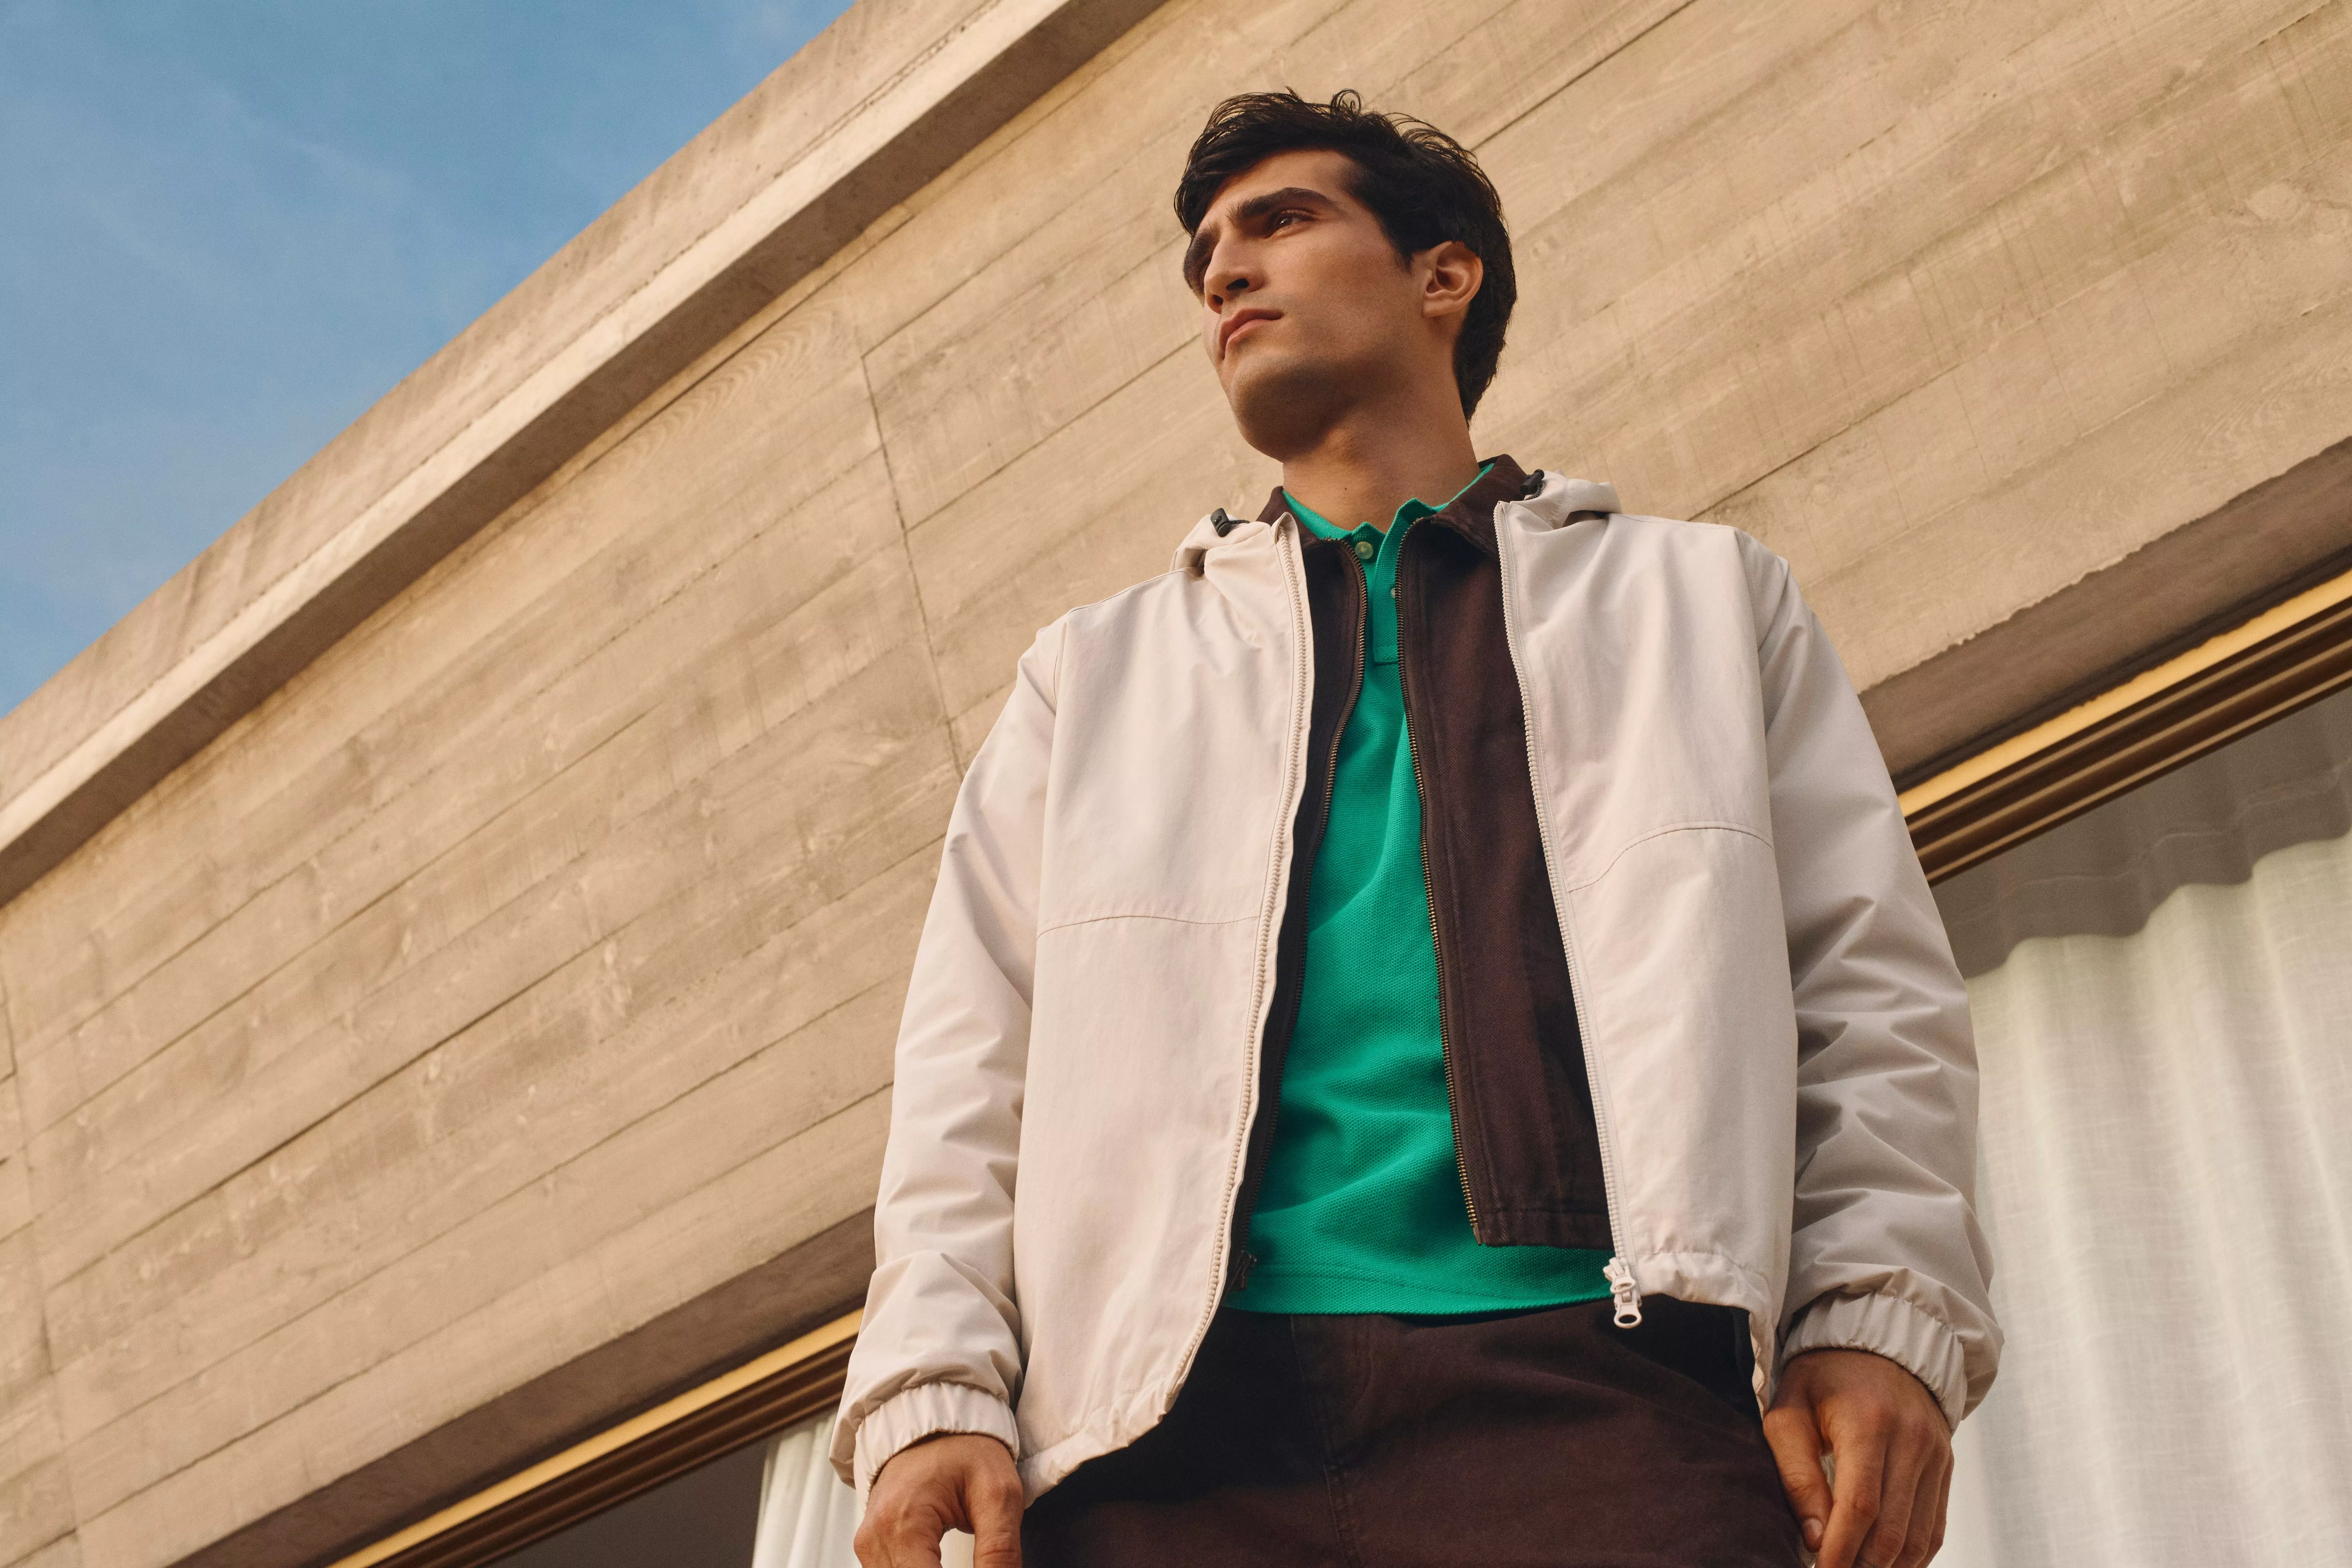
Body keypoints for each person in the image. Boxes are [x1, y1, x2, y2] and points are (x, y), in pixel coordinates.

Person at [832, 89, 1998, 1568]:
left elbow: (1865, 986)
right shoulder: (1092, 675)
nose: (1222, 273)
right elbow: (968, 1066)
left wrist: (1877, 1316)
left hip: (1607, 1401)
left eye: (1281, 222)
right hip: (1166, 1444)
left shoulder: (1700, 603)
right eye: (1206, 252)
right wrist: (936, 1388)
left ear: (1445, 275)